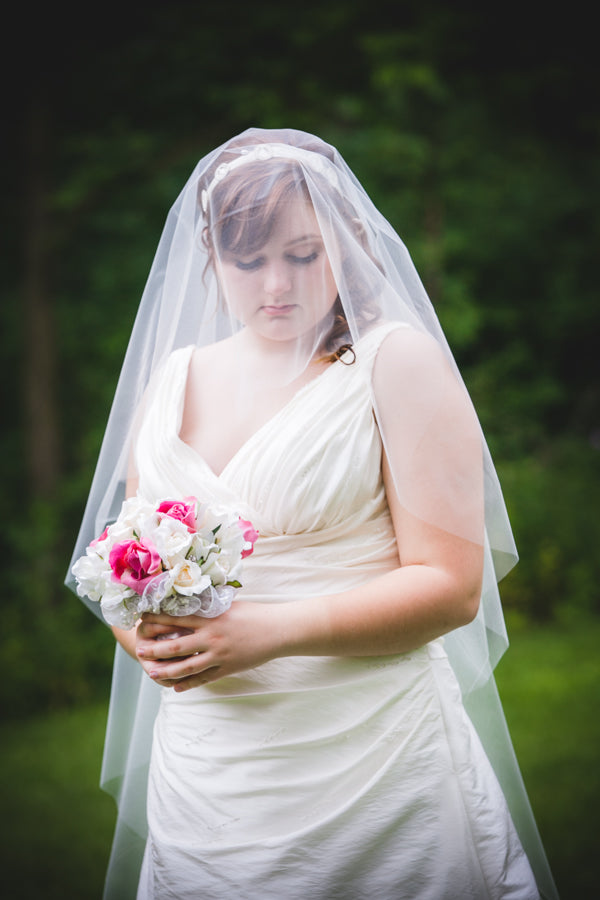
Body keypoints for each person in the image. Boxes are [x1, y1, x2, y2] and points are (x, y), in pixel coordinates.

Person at [67, 128, 558, 900]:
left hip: (369, 765)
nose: (275, 284)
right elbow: (127, 559)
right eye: (247, 259)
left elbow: (453, 586)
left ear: (351, 241)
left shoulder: (396, 364)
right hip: (209, 770)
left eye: (303, 254)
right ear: (209, 256)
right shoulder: (173, 377)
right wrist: (144, 637)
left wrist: (270, 633)